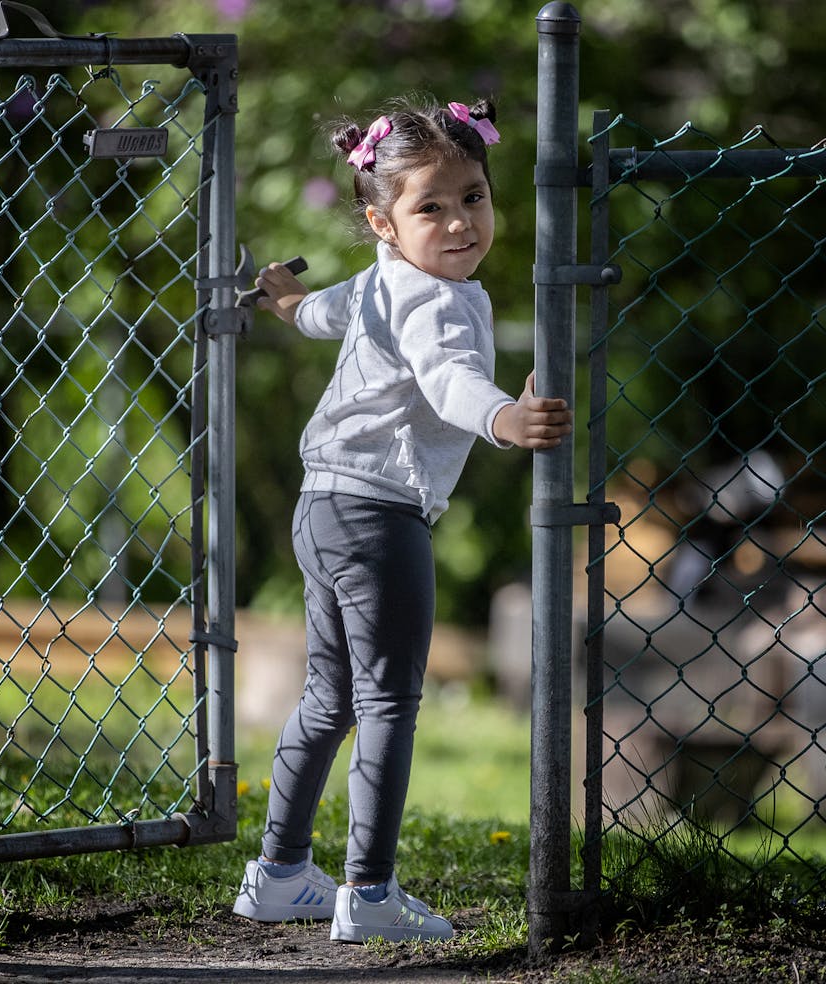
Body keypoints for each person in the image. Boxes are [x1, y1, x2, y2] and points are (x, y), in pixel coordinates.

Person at [230, 95, 572, 944]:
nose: (459, 224)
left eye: (474, 199)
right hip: (380, 517)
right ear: (384, 221)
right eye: (432, 208)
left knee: (329, 697)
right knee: (389, 703)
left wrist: (282, 302)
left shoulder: (388, 279)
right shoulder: (444, 302)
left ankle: (277, 875)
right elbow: (450, 380)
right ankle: (369, 893)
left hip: (322, 508)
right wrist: (504, 419)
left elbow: (326, 312)